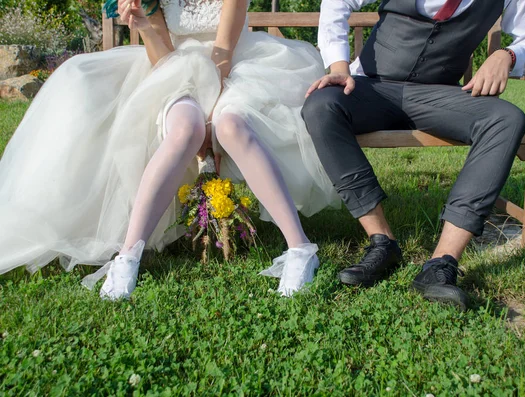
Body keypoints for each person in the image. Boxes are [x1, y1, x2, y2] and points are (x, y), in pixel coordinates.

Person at [0, 0, 339, 298]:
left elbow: (222, 52)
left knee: (230, 126)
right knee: (184, 130)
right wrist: (145, 25)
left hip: (237, 66)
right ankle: (128, 256)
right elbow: (163, 58)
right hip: (177, 70)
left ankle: (300, 249)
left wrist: (211, 114)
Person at [302, 0, 525, 310]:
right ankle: (382, 243)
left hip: (438, 95)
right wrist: (339, 68)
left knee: (506, 119)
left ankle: (440, 264)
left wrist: (507, 55)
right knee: (321, 107)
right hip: (370, 86)